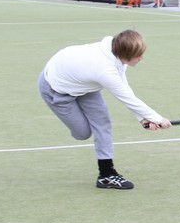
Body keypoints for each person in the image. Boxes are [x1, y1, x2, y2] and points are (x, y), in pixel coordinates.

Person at [37, 29, 171, 189]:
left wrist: (142, 118)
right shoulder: (104, 70)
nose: (141, 58)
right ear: (126, 54)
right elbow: (127, 99)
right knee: (83, 133)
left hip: (84, 83)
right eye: (138, 55)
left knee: (102, 122)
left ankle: (106, 175)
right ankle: (74, 120)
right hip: (56, 88)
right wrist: (157, 119)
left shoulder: (117, 54)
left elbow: (126, 91)